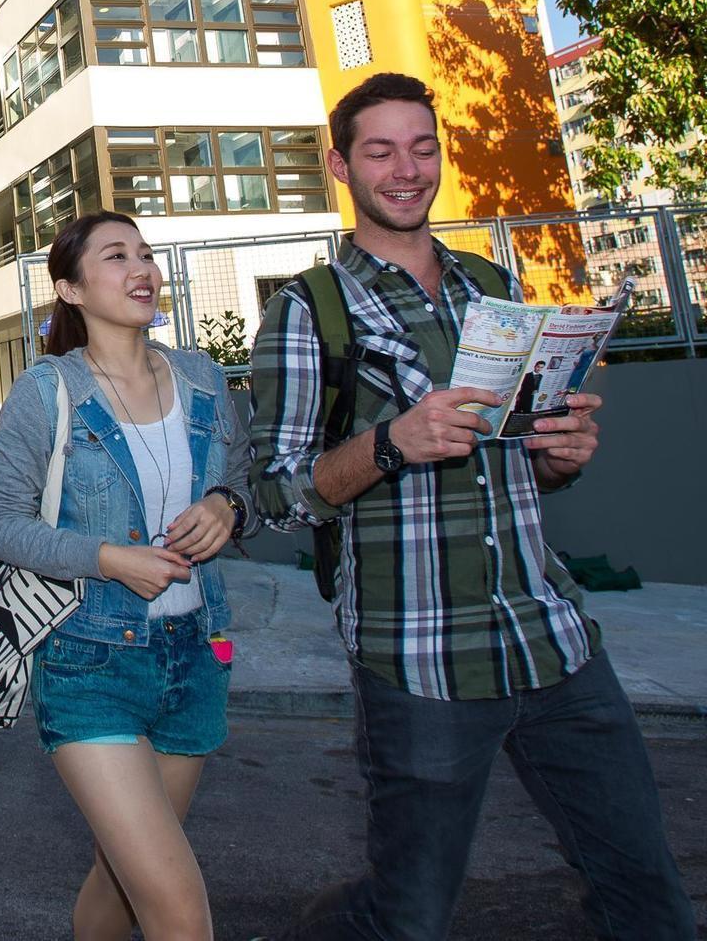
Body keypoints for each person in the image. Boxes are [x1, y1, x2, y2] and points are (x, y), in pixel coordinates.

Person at [248, 72, 691, 940]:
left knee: (649, 897)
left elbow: (520, 463)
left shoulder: (493, 282)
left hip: (552, 637)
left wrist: (559, 457)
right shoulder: (310, 309)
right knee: (405, 916)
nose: (406, 168)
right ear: (341, 164)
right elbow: (275, 490)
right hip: (419, 657)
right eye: (380, 150)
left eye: (422, 146)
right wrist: (389, 442)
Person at [0, 210, 257, 941]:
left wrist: (228, 504)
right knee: (179, 907)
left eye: (145, 253)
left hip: (197, 653)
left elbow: (246, 476)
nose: (141, 268)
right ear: (70, 287)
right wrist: (108, 558)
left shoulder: (199, 375)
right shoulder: (48, 390)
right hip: (90, 660)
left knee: (123, 877)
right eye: (114, 257)